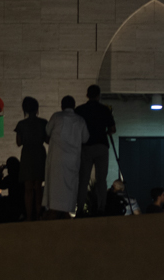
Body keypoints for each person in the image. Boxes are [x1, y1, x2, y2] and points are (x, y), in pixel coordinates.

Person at [43, 96, 89, 217]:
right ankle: (66, 211)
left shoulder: (56, 116)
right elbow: (85, 138)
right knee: (70, 185)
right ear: (74, 106)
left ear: (62, 106)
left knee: (55, 185)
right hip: (72, 160)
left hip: (56, 158)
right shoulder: (80, 120)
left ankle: (53, 210)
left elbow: (47, 131)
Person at [75, 85, 116, 216]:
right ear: (99, 95)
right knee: (101, 179)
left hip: (86, 146)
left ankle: (80, 209)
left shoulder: (80, 110)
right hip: (102, 145)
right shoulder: (105, 109)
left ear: (87, 95)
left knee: (83, 179)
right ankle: (101, 208)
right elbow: (112, 129)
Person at [14, 97, 48, 220]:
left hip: (27, 154)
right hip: (39, 153)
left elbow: (18, 142)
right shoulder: (43, 123)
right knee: (38, 187)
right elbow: (48, 140)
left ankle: (29, 216)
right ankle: (38, 214)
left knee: (28, 188)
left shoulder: (21, 124)